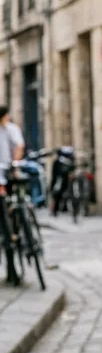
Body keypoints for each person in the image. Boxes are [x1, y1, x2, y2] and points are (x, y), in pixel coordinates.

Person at [0, 106, 25, 284]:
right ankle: (10, 263)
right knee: (4, 217)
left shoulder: (12, 129)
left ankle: (21, 228)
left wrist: (15, 163)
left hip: (9, 173)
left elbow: (19, 145)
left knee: (20, 199)